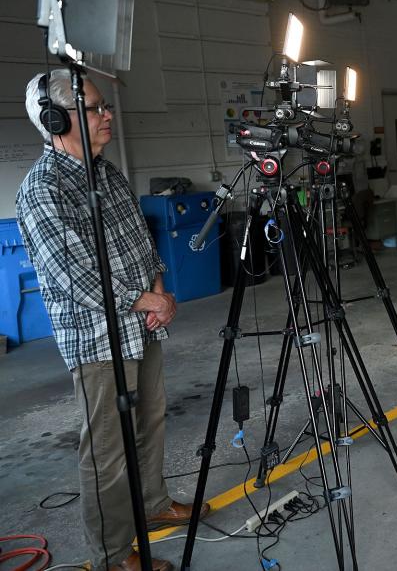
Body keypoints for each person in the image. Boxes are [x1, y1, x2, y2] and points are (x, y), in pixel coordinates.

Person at [17, 69, 209, 571]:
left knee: (149, 423)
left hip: (141, 323)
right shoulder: (42, 190)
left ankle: (153, 505)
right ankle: (110, 554)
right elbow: (75, 278)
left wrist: (160, 287)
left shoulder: (106, 171)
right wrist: (147, 301)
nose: (108, 115)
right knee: (106, 450)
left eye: (104, 106)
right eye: (97, 108)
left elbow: (139, 241)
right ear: (58, 120)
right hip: (98, 340)